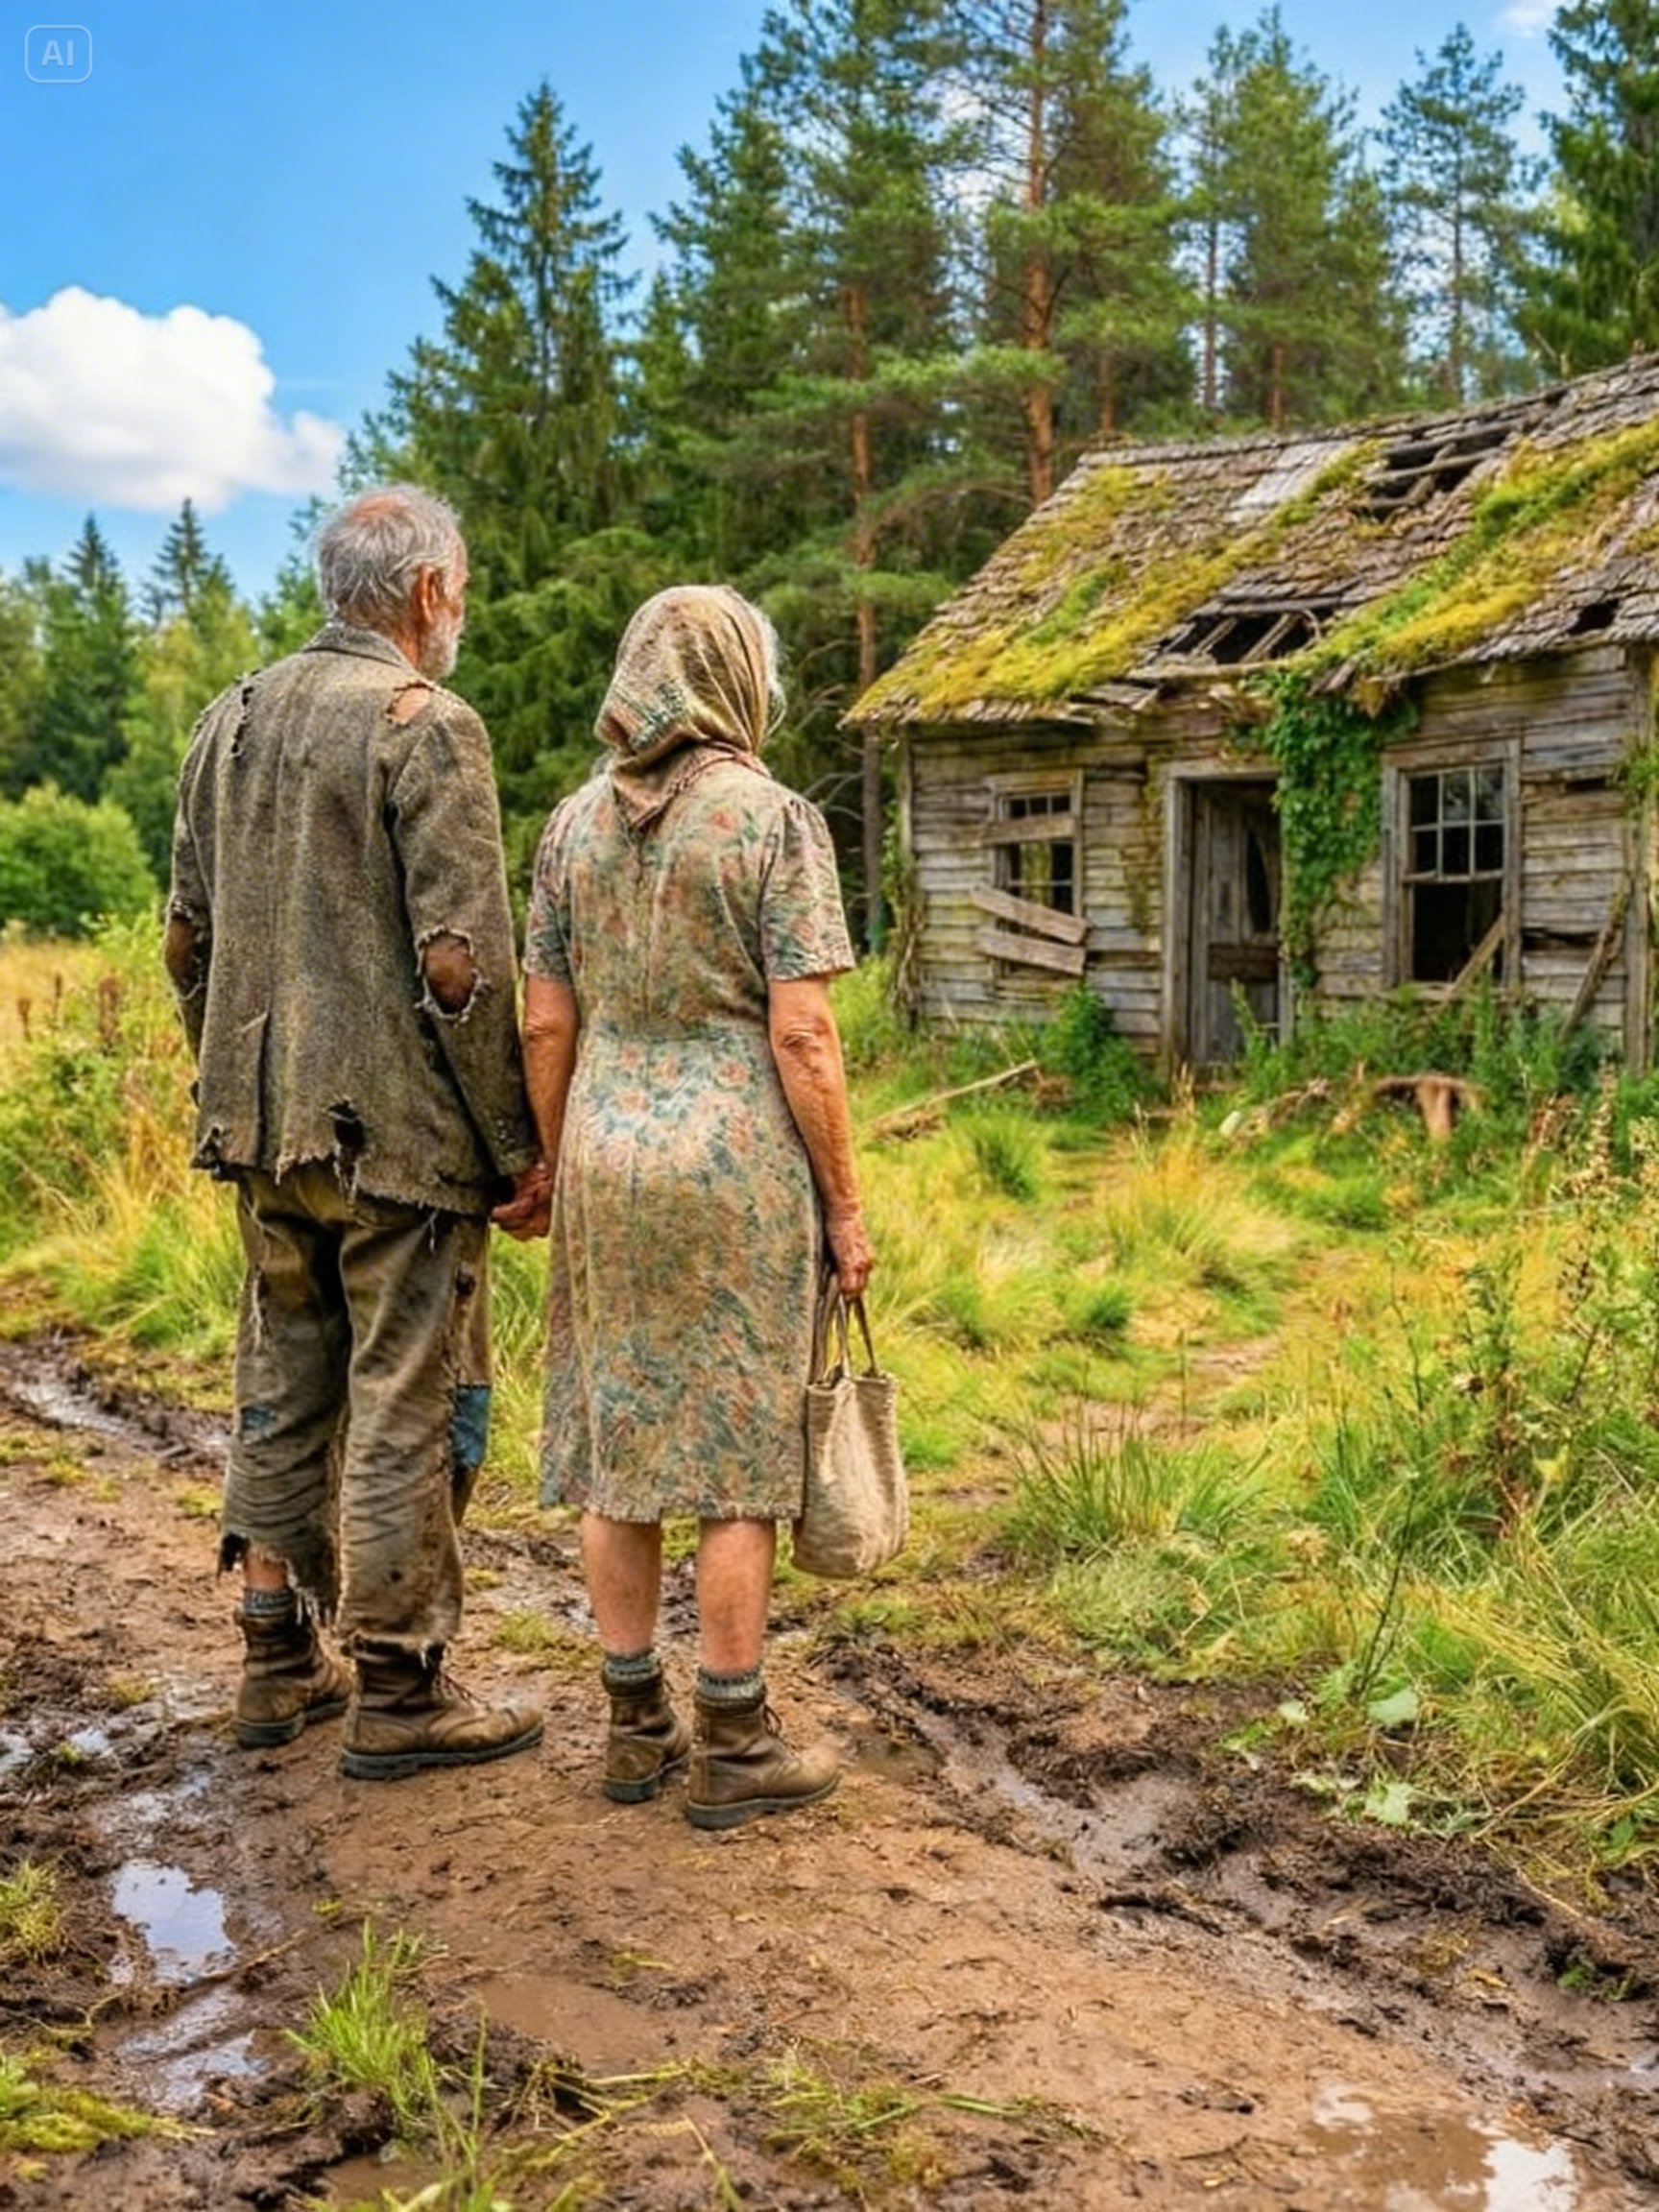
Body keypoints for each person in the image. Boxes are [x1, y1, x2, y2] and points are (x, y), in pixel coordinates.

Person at [165, 483, 550, 1782]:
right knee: (406, 1395)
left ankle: (276, 1657)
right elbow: (461, 966)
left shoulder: (228, 718)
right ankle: (398, 1685)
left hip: (264, 1129)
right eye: (463, 592)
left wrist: (234, 1082)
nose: (461, 614)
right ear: (429, 592)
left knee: (282, 1379)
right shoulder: (425, 725)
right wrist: (514, 1145)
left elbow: (186, 943)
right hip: (398, 1142)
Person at [522, 584, 876, 1831]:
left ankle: (633, 1728)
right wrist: (845, 1205)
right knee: (738, 1460)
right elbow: (805, 1032)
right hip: (736, 1172)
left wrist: (553, 1164)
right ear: (732, 679)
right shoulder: (775, 822)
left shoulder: (569, 829)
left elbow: (546, 1020)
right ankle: (734, 1740)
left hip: (603, 1160)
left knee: (617, 1450)